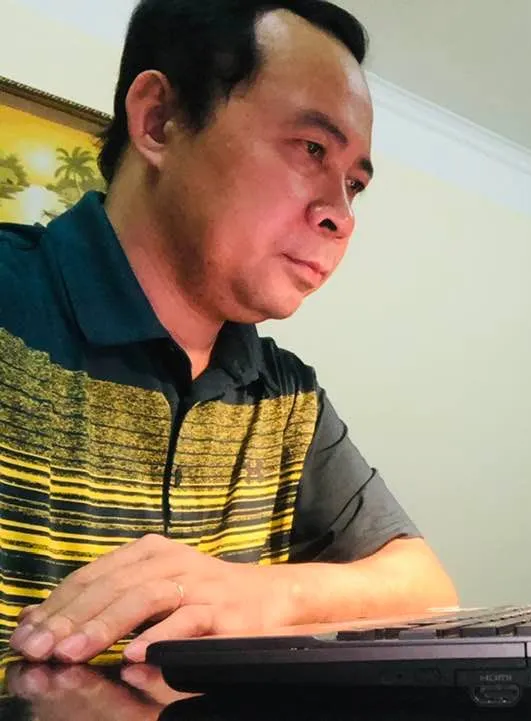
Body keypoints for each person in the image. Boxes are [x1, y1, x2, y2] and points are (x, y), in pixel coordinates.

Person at [0, 0, 458, 666]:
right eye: (312, 149)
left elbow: (427, 587)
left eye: (354, 184)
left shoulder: (286, 397)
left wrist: (265, 592)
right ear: (159, 120)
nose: (341, 216)